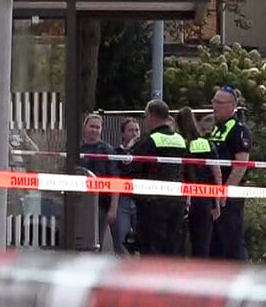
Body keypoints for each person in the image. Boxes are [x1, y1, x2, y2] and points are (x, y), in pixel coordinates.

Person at [128, 100, 187, 256]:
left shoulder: (148, 142)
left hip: (153, 202)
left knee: (151, 248)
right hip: (177, 200)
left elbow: (134, 169)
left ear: (150, 116)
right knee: (173, 247)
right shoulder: (181, 140)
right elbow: (187, 170)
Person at [208, 86, 252, 260]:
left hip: (228, 199)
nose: (214, 106)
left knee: (232, 245)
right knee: (215, 247)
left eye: (218, 102)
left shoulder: (239, 130)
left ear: (231, 106)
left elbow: (241, 165)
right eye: (213, 101)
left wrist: (224, 193)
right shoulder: (216, 128)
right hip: (213, 197)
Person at [177, 106, 222, 258]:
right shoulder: (207, 144)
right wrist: (217, 202)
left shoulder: (178, 143)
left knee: (178, 245)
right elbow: (217, 174)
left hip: (182, 199)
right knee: (202, 246)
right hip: (204, 198)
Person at [78, 113, 120, 254]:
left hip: (100, 205)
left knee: (96, 243)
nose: (94, 130)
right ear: (85, 127)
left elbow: (115, 180)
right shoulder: (78, 150)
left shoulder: (107, 151)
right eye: (92, 126)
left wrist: (113, 208)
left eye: (97, 127)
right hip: (79, 203)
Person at [114, 118, 140, 255]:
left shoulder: (142, 150)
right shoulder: (116, 151)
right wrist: (128, 148)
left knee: (140, 238)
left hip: (138, 198)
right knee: (122, 238)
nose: (135, 133)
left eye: (137, 130)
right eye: (131, 130)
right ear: (123, 134)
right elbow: (122, 165)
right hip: (122, 199)